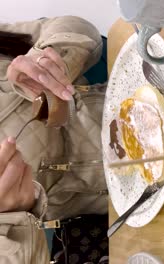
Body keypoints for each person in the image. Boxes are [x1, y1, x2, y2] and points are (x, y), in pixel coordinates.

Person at [0, 16, 108, 263]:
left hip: (148, 105)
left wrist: (53, 60)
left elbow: (79, 28)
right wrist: (12, 217)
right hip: (145, 204)